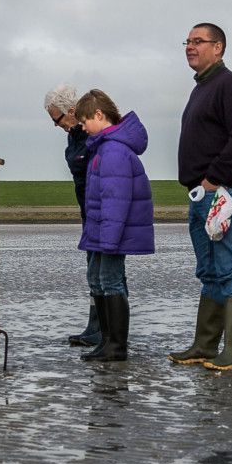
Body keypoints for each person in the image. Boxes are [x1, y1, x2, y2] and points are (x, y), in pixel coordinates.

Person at [165, 23, 232, 371]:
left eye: (198, 41)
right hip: (199, 194)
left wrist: (212, 180)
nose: (190, 46)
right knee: (209, 270)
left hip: (224, 192)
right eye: (187, 41)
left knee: (231, 268)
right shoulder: (202, 88)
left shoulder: (231, 86)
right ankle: (205, 345)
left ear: (218, 47)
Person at [72, 89, 154, 362]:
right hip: (100, 231)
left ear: (99, 115)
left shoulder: (114, 151)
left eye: (84, 122)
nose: (82, 128)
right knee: (97, 279)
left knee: (110, 281)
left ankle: (116, 345)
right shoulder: (104, 148)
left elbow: (116, 201)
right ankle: (106, 341)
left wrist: (109, 240)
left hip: (110, 233)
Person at [44, 84, 100, 348]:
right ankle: (95, 326)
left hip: (100, 211)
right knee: (93, 270)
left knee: (104, 271)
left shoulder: (92, 135)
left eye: (57, 119)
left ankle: (106, 330)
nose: (56, 125)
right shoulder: (75, 136)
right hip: (87, 210)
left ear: (71, 111)